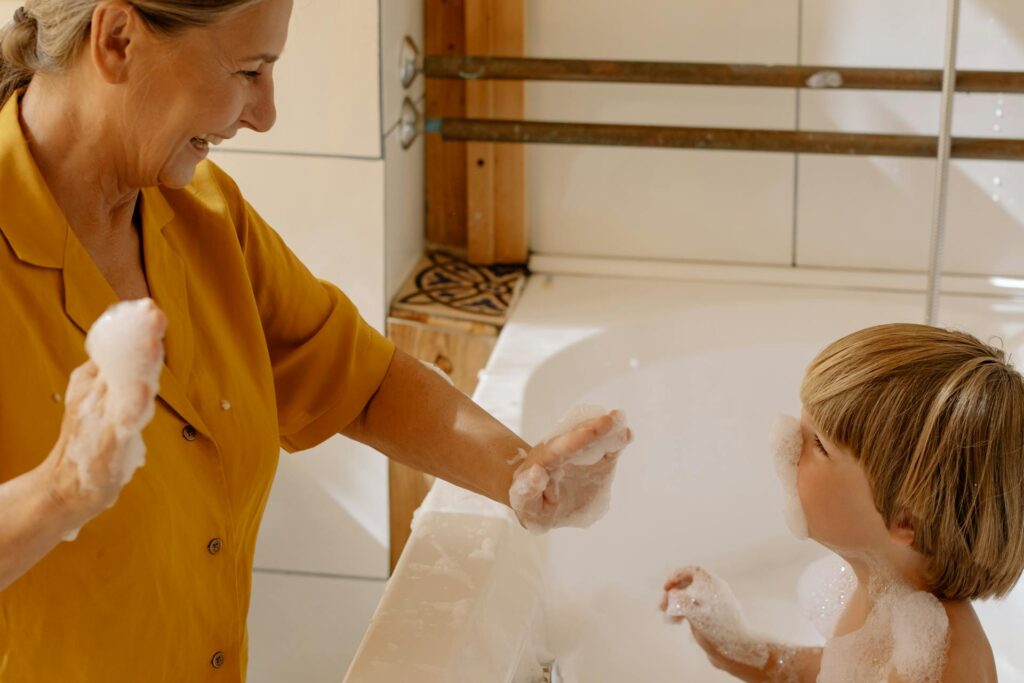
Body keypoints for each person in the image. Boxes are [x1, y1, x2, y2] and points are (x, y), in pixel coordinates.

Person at [0, 2, 630, 680]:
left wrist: (524, 471)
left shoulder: (202, 213)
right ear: (119, 39)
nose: (264, 112)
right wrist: (61, 490)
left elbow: (362, 384)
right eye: (249, 70)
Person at [660, 323, 1024, 682]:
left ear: (905, 519)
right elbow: (845, 672)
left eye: (818, 444)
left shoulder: (935, 666)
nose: (785, 439)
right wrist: (744, 651)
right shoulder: (891, 593)